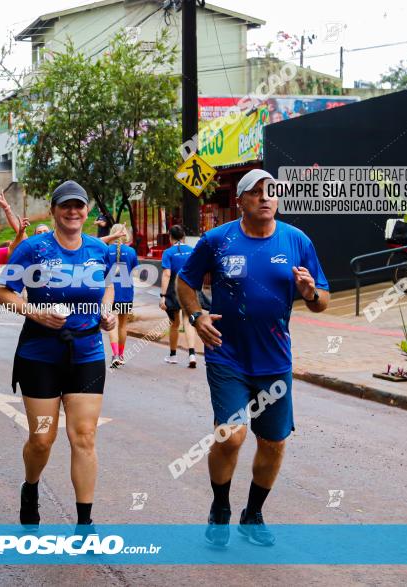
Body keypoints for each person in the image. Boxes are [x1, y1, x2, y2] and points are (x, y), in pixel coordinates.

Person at [176, 169, 330, 548]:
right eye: (256, 192)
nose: (265, 197)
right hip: (226, 354)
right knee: (230, 436)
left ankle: (253, 514)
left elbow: (322, 301)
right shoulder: (217, 240)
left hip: (274, 360)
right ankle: (220, 507)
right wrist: (197, 317)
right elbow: (185, 282)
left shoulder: (297, 241)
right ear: (240, 201)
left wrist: (310, 292)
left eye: (271, 192)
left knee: (273, 442)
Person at [0, 180, 117, 530]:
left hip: (87, 351)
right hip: (40, 355)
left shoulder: (98, 249)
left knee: (84, 436)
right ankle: (31, 486)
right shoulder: (33, 249)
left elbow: (105, 287)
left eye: (79, 205)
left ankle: (84, 522)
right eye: (66, 205)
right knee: (42, 438)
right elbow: (2, 291)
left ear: (87, 211)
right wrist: (35, 312)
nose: (73, 211)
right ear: (54, 210)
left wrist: (106, 313)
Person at [160, 225, 199, 367]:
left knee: (174, 324)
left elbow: (166, 274)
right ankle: (192, 355)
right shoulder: (192, 250)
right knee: (188, 322)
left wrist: (162, 296)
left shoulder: (168, 253)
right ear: (183, 236)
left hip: (173, 291)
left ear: (170, 236)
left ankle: (173, 355)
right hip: (189, 290)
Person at [106, 224, 138, 369]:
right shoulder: (131, 251)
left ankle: (114, 355)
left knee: (112, 323)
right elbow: (135, 272)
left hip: (109, 292)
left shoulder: (106, 250)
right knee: (123, 325)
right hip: (126, 292)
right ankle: (121, 355)